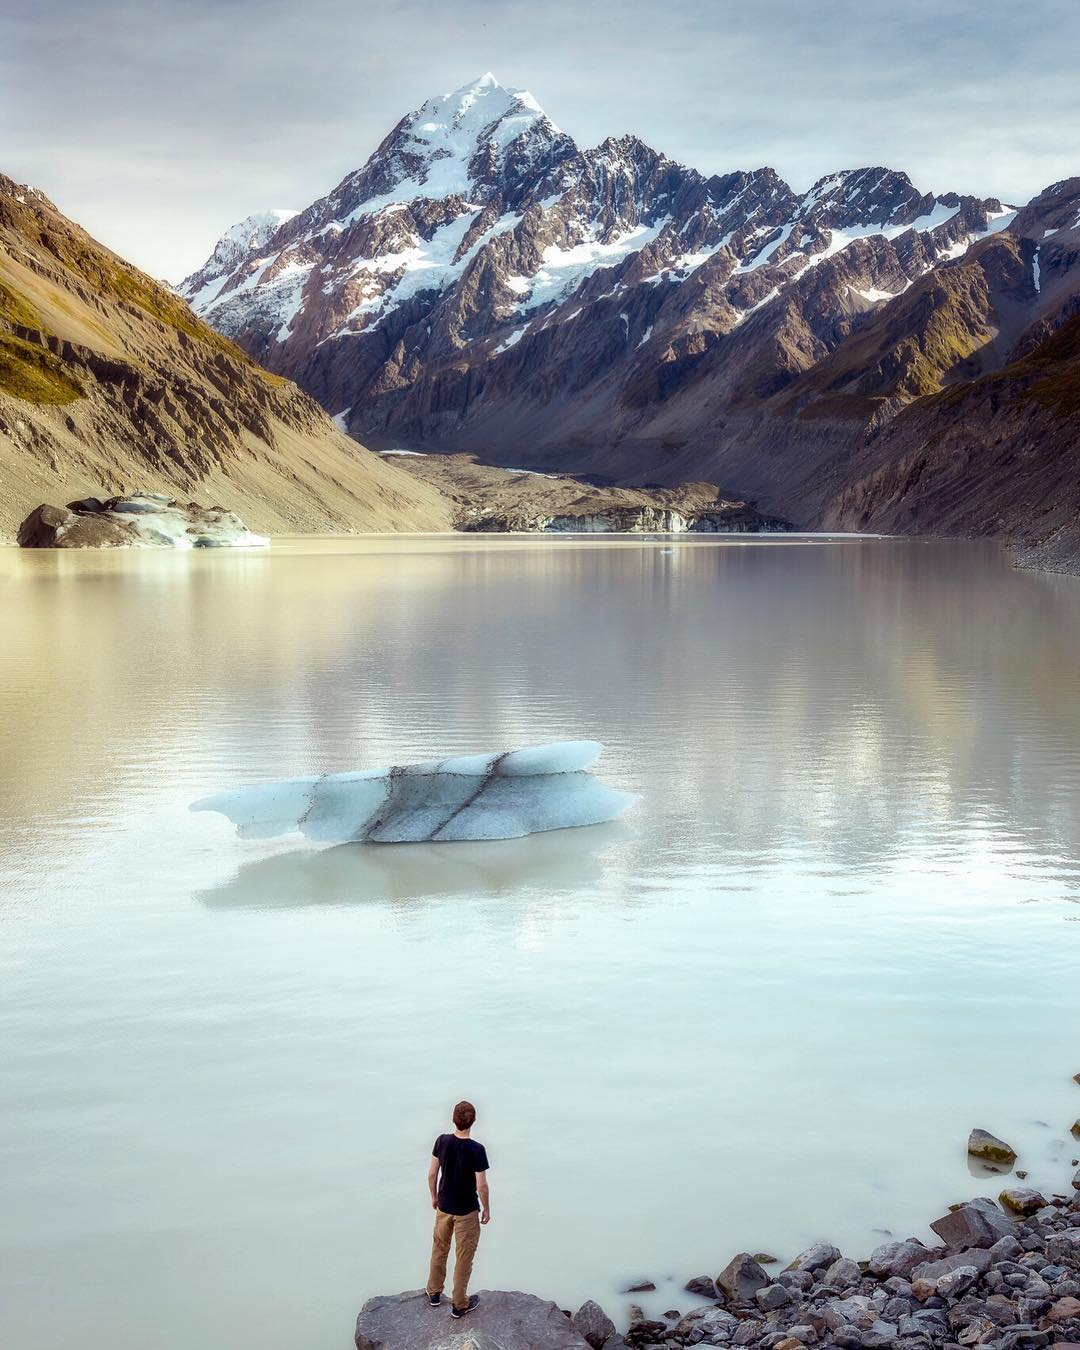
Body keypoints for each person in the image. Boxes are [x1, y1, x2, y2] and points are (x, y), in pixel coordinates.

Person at [425, 1099, 490, 1319]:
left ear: (453, 1118)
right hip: (466, 1212)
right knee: (464, 1257)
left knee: (439, 1248)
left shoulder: (441, 1141)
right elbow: (481, 1185)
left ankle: (434, 1293)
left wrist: (434, 1197)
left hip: (444, 1206)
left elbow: (432, 1174)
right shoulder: (477, 1150)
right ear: (473, 1121)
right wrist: (487, 1209)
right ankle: (459, 1304)